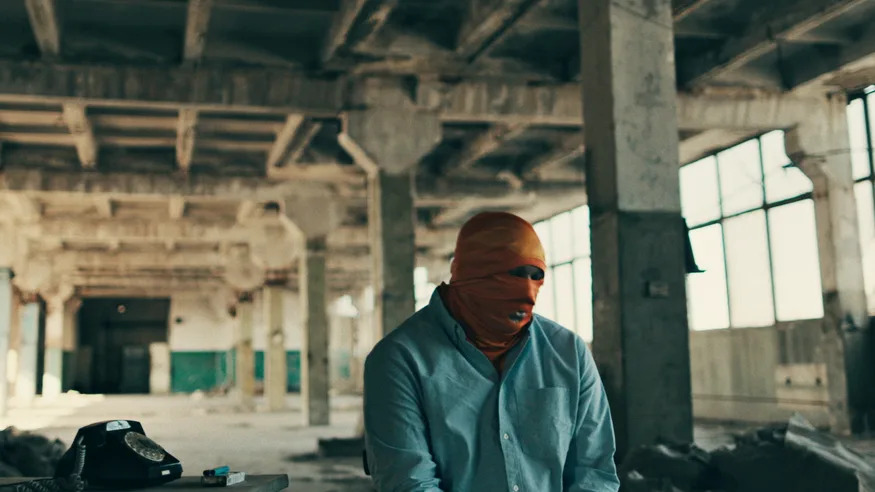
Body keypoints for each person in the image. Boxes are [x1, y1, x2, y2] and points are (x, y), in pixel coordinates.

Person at [363, 211, 619, 492]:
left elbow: (594, 470)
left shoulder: (569, 353)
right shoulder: (399, 359)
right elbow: (408, 480)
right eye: (513, 274)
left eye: (536, 276)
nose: (527, 290)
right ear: (472, 273)